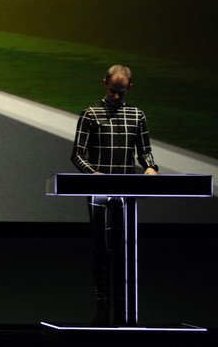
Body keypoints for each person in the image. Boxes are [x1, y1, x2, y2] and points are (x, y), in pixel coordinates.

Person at [70, 64, 158, 325]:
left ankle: (123, 309)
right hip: (99, 193)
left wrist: (150, 167)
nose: (116, 96)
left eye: (121, 92)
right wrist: (94, 174)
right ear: (104, 83)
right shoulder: (90, 114)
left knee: (124, 252)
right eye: (112, 91)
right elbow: (77, 154)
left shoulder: (136, 115)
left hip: (127, 194)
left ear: (129, 87)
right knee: (102, 250)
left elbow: (145, 150)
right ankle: (102, 308)